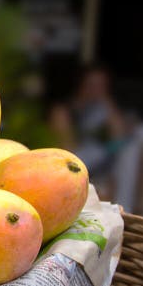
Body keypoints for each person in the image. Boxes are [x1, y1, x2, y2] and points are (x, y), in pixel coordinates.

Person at [49, 65, 126, 197]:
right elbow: (67, 150)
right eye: (92, 84)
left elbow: (119, 138)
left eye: (102, 85)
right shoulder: (62, 110)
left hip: (102, 171)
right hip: (71, 171)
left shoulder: (102, 109)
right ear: (80, 84)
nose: (96, 89)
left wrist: (107, 103)